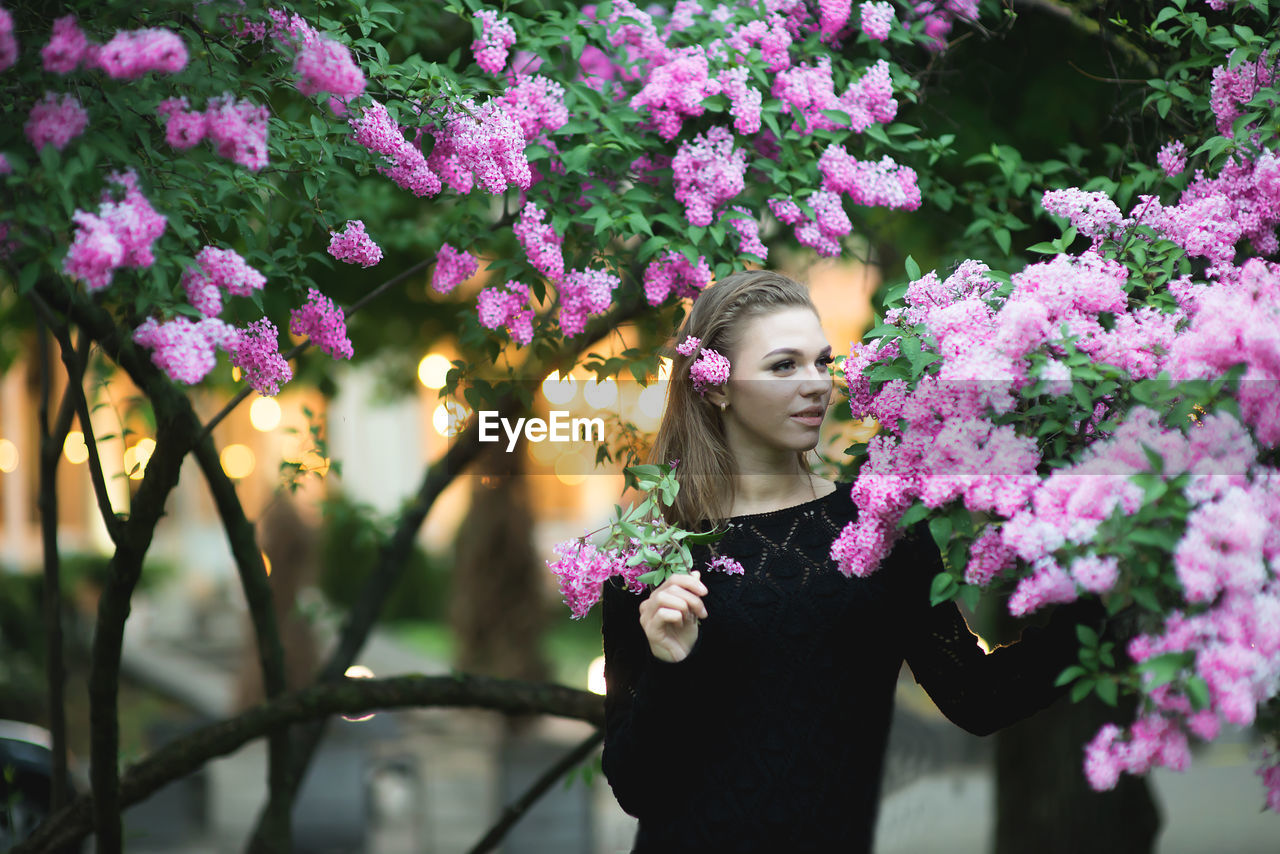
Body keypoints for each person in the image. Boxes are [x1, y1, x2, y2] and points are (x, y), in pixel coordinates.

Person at [601, 269, 1093, 853]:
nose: (815, 384)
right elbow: (635, 786)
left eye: (821, 361)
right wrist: (670, 667)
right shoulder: (653, 552)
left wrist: (1095, 609)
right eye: (784, 365)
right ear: (715, 386)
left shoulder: (876, 525)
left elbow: (978, 698)